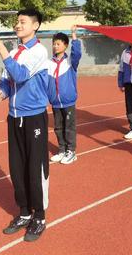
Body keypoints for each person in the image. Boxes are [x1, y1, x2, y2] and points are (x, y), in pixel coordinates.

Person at [0, 8, 49, 242]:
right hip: (14, 117)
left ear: (35, 26)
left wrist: (3, 51)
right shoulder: (14, 52)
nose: (18, 24)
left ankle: (40, 217)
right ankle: (24, 212)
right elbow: (8, 80)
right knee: (17, 168)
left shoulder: (38, 51)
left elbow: (22, 75)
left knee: (35, 169)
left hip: (34, 117)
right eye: (17, 21)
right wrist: (2, 94)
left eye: (23, 21)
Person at [48, 25, 82, 165]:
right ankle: (62, 149)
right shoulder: (49, 63)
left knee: (69, 127)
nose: (55, 46)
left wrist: (74, 35)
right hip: (55, 102)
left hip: (68, 101)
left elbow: (77, 53)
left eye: (58, 44)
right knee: (58, 127)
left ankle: (71, 151)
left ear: (65, 45)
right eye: (54, 44)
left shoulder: (70, 62)